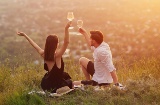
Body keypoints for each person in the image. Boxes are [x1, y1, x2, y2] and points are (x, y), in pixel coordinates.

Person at [17, 21, 73, 93]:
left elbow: (34, 45)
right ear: (56, 44)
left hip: (46, 84)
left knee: (65, 75)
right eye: (58, 42)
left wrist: (25, 35)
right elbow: (66, 42)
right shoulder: (57, 56)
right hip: (55, 84)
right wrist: (66, 28)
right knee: (70, 82)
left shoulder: (44, 54)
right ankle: (60, 90)